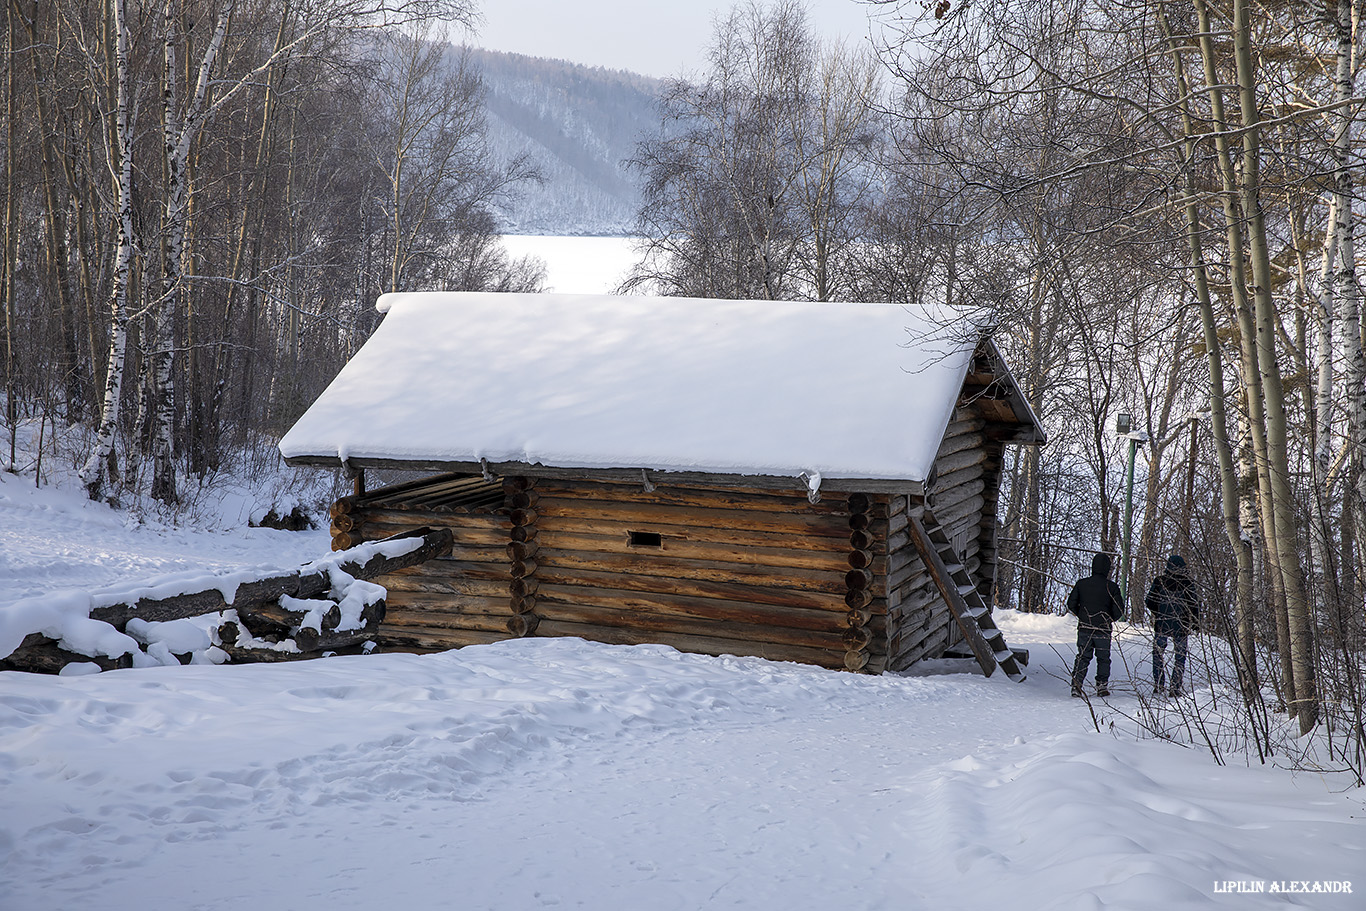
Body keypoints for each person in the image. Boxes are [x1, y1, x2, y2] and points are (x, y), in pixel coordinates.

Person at [1066, 552, 1125, 698]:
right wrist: (1108, 619)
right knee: (1103, 658)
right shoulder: (1112, 587)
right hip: (1103, 630)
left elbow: (1071, 604)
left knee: (1083, 657)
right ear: (1107, 568)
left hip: (1085, 627)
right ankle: (1102, 686)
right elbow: (1119, 610)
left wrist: (1083, 615)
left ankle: (1076, 685)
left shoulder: (1082, 584)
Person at [1145, 554, 1199, 697]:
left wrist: (1159, 613)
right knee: (1180, 657)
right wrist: (1195, 622)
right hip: (1181, 626)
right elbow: (1193, 604)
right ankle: (1175, 687)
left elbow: (1149, 601)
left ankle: (1159, 684)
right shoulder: (1187, 584)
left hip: (1162, 624)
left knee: (1158, 654)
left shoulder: (1159, 581)